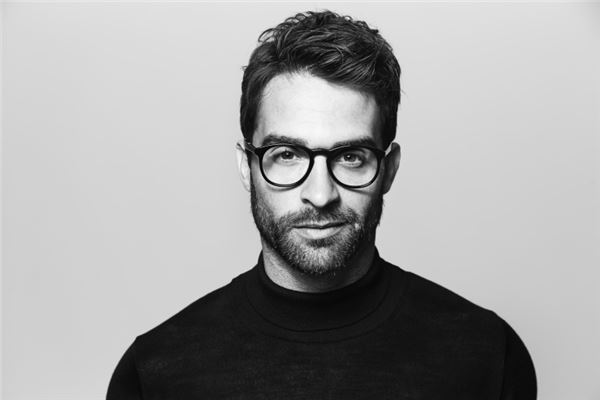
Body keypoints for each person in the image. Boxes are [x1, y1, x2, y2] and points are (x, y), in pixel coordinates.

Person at [107, 10, 536, 399]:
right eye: (287, 155)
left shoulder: (486, 355)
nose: (320, 194)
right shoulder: (155, 373)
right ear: (246, 167)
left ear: (388, 169)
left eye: (350, 157)